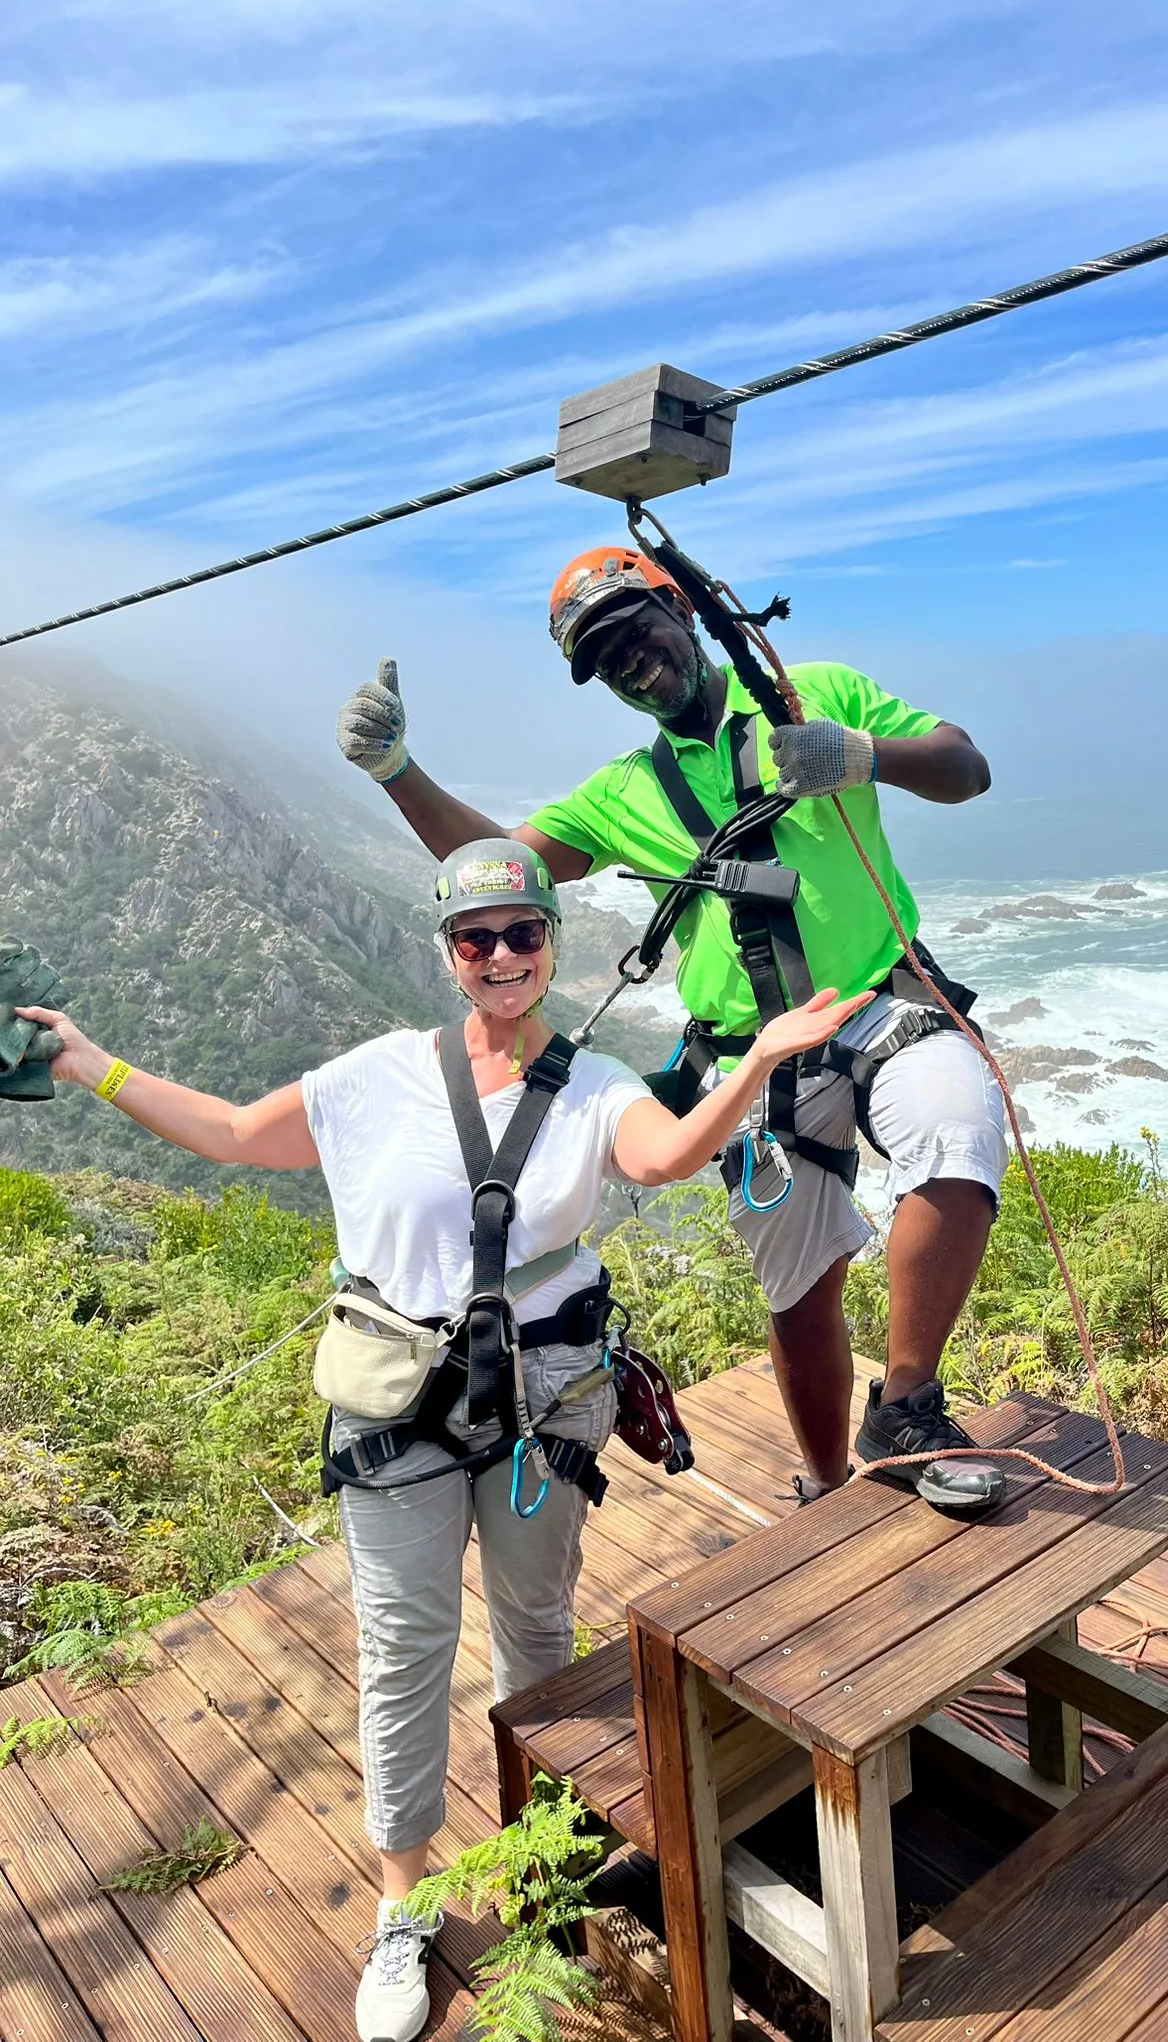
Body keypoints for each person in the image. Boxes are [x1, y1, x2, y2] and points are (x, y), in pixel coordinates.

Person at [19, 837, 867, 2042]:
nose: (504, 955)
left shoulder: (594, 1083)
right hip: (395, 1402)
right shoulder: (378, 1075)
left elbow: (667, 1156)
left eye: (524, 933)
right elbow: (233, 1131)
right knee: (405, 1650)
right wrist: (92, 1063)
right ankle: (403, 1904)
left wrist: (762, 1062)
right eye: (478, 938)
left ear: (551, 943)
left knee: (538, 1632)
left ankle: (545, 1860)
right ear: (449, 954)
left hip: (543, 1401)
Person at [335, 548, 1009, 1513]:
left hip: (881, 1002)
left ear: (683, 611)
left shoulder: (813, 694)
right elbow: (499, 866)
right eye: (603, 658)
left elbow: (964, 768)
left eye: (635, 630)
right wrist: (397, 773)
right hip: (751, 1056)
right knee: (798, 1285)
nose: (629, 660)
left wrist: (863, 756)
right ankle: (829, 1484)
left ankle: (905, 1403)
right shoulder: (625, 791)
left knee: (955, 1127)